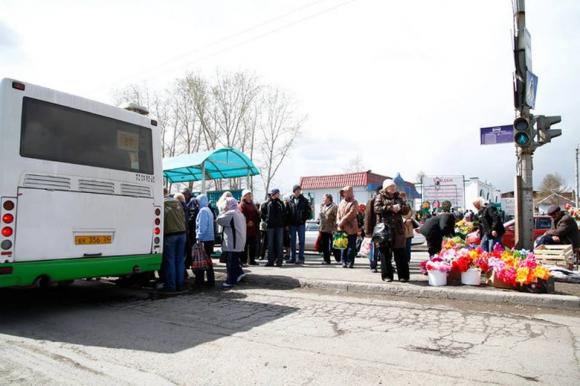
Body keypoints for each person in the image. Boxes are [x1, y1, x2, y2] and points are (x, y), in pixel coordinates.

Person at [374, 179, 410, 282]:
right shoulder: (379, 196)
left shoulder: (398, 197)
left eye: (394, 186)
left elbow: (406, 211)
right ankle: (387, 276)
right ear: (386, 188)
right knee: (385, 254)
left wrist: (402, 207)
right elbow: (376, 209)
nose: (393, 188)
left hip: (398, 229)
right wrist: (390, 208)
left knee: (400, 253)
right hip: (384, 229)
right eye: (391, 187)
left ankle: (403, 276)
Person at [216, 197, 247, 289]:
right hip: (238, 242)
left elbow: (219, 220)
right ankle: (239, 274)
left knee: (231, 263)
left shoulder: (231, 213)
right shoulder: (239, 213)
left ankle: (230, 281)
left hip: (232, 243)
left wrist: (222, 211)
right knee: (235, 261)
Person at [162, 194, 187, 292]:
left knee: (170, 261)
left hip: (170, 234)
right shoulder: (178, 203)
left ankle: (171, 286)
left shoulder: (163, 203)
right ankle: (180, 284)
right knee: (180, 260)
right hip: (182, 234)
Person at [194, 194, 216, 288]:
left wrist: (198, 238)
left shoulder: (203, 211)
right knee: (208, 261)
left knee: (201, 261)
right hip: (210, 239)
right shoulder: (208, 210)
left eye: (197, 202)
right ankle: (211, 281)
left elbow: (202, 226)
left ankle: (200, 282)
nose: (196, 204)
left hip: (204, 239)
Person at [287, 185, 312, 264]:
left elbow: (308, 211)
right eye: (296, 190)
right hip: (292, 224)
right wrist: (288, 223)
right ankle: (292, 258)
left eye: (299, 190)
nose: (298, 191)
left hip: (301, 223)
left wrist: (303, 218)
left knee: (301, 241)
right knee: (292, 241)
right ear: (294, 191)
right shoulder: (289, 200)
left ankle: (301, 258)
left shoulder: (305, 200)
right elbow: (287, 212)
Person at [261, 189, 286, 267]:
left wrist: (282, 222)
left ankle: (279, 261)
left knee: (279, 244)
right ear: (272, 194)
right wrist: (267, 220)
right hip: (270, 227)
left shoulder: (281, 203)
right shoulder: (267, 203)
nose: (277, 195)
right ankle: (270, 261)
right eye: (275, 193)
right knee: (270, 244)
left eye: (278, 193)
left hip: (279, 227)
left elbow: (285, 214)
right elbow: (262, 214)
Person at [337, 186, 359, 268]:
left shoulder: (354, 202)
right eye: (343, 192)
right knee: (343, 246)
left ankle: (350, 262)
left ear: (349, 192)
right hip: (341, 227)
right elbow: (338, 213)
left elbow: (352, 214)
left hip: (351, 227)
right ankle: (343, 262)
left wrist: (342, 221)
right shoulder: (341, 202)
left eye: (345, 192)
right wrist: (338, 221)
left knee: (351, 246)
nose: (343, 193)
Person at [239, 189, 260, 266]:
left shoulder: (252, 204)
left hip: (253, 228)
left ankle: (252, 260)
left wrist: (256, 220)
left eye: (250, 194)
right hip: (245, 228)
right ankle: (243, 260)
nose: (249, 196)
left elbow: (256, 214)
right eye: (248, 194)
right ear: (244, 196)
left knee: (252, 245)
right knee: (244, 245)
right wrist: (247, 222)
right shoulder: (242, 204)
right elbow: (241, 214)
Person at [318, 193, 338, 264]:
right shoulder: (322, 206)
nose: (323, 200)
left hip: (331, 228)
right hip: (323, 228)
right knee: (325, 245)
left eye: (324, 198)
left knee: (334, 245)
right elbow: (320, 216)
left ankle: (338, 259)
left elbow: (337, 217)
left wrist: (335, 228)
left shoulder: (334, 206)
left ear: (329, 199)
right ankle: (326, 260)